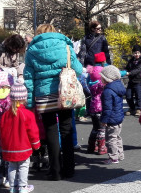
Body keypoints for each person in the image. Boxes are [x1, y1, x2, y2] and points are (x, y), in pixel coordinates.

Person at [24, 23, 83, 181]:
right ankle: (69, 168)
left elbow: (28, 78)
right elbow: (77, 69)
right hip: (64, 92)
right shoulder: (65, 46)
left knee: (50, 132)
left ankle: (55, 170)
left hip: (43, 95)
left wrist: (30, 102)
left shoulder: (31, 50)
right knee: (66, 129)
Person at [1, 81, 40, 193]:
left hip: (9, 147)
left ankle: (13, 186)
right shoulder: (27, 114)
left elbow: (2, 131)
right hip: (23, 146)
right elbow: (33, 131)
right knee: (23, 166)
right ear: (24, 98)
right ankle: (23, 187)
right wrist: (36, 144)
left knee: (12, 166)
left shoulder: (5, 114)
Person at [99, 65, 126, 165]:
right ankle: (120, 154)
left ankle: (113, 157)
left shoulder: (107, 91)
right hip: (118, 117)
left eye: (102, 77)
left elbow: (107, 108)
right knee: (117, 136)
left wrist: (104, 120)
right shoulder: (118, 87)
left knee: (111, 139)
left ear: (107, 78)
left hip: (111, 119)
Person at [86, 53, 106, 154]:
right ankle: (101, 147)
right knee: (102, 128)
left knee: (94, 128)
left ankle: (91, 146)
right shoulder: (101, 85)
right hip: (100, 107)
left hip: (93, 107)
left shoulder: (91, 84)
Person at [125, 44, 141, 116]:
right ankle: (132, 108)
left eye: (138, 53)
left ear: (140, 53)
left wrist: (130, 73)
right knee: (128, 95)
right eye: (135, 53)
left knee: (138, 96)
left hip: (139, 81)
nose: (137, 54)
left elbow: (139, 69)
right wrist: (124, 72)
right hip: (131, 81)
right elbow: (127, 68)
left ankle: (138, 109)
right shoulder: (131, 60)